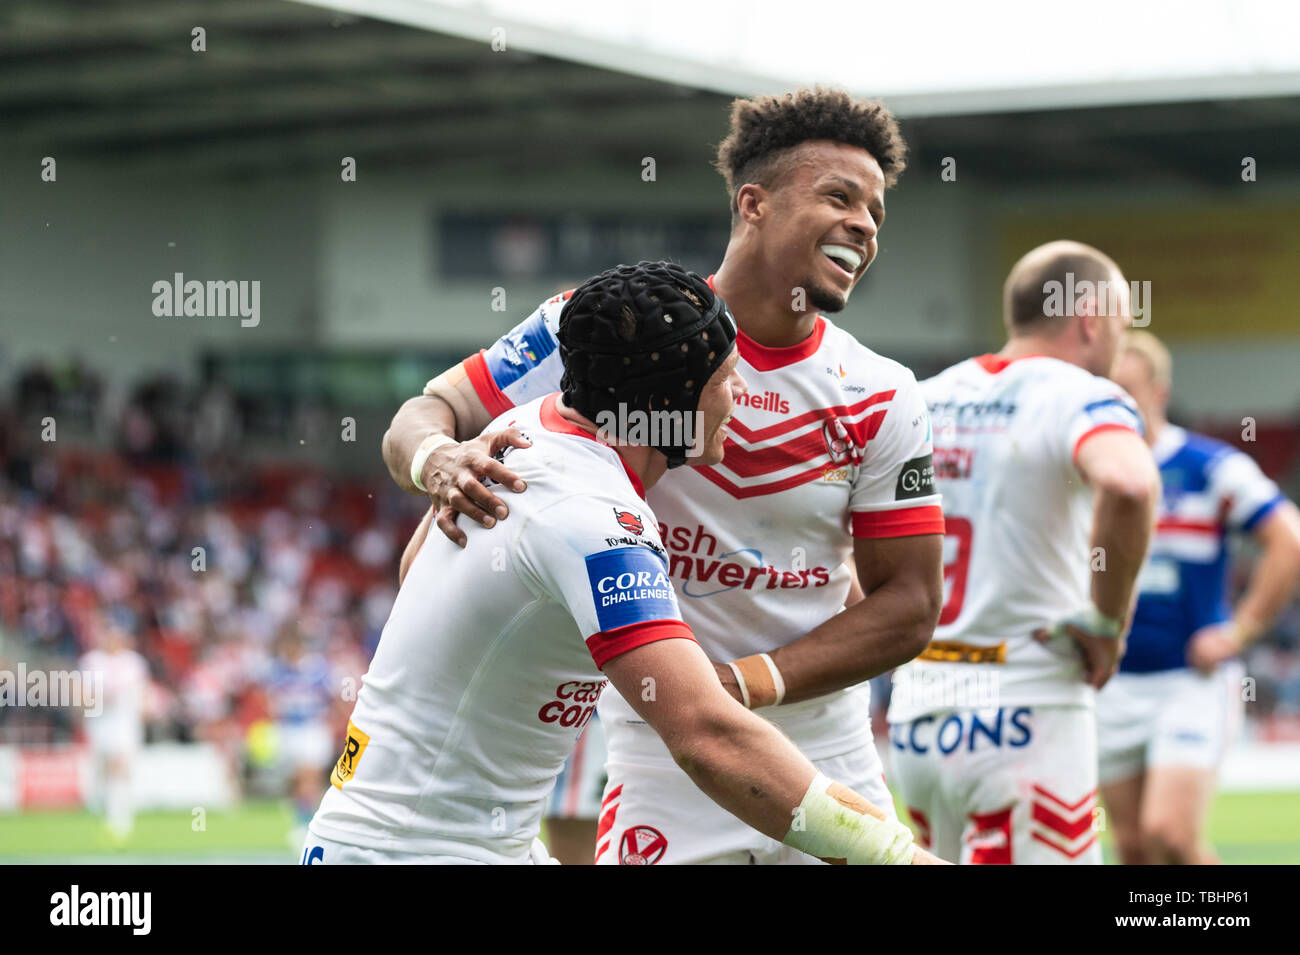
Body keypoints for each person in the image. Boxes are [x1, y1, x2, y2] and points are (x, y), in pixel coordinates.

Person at [383, 88, 946, 865]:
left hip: (823, 742)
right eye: (840, 197)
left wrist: (746, 680)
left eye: (876, 211)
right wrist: (435, 458)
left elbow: (911, 605)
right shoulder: (605, 324)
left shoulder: (883, 392)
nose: (865, 225)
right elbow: (428, 409)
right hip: (665, 743)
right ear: (754, 203)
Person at [886, 240, 1160, 864]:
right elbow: (1129, 481)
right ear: (1090, 317)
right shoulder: (1079, 394)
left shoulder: (919, 398)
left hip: (920, 715)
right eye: (1120, 322)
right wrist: (1108, 621)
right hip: (1028, 708)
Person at [1098, 330, 1300, 864]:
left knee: (1170, 834)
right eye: (1107, 389)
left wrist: (1241, 630)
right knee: (1135, 847)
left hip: (1189, 681)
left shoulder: (1209, 465)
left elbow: (1288, 538)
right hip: (1111, 682)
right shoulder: (1087, 469)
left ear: (1159, 392)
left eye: (1128, 389)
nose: (1117, 401)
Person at [79, 618, 149, 842]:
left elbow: (142, 692)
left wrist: (142, 712)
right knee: (103, 769)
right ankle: (106, 810)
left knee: (121, 766)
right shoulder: (91, 661)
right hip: (101, 721)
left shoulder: (134, 662)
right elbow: (83, 695)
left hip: (125, 722)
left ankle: (120, 819)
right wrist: (101, 699)